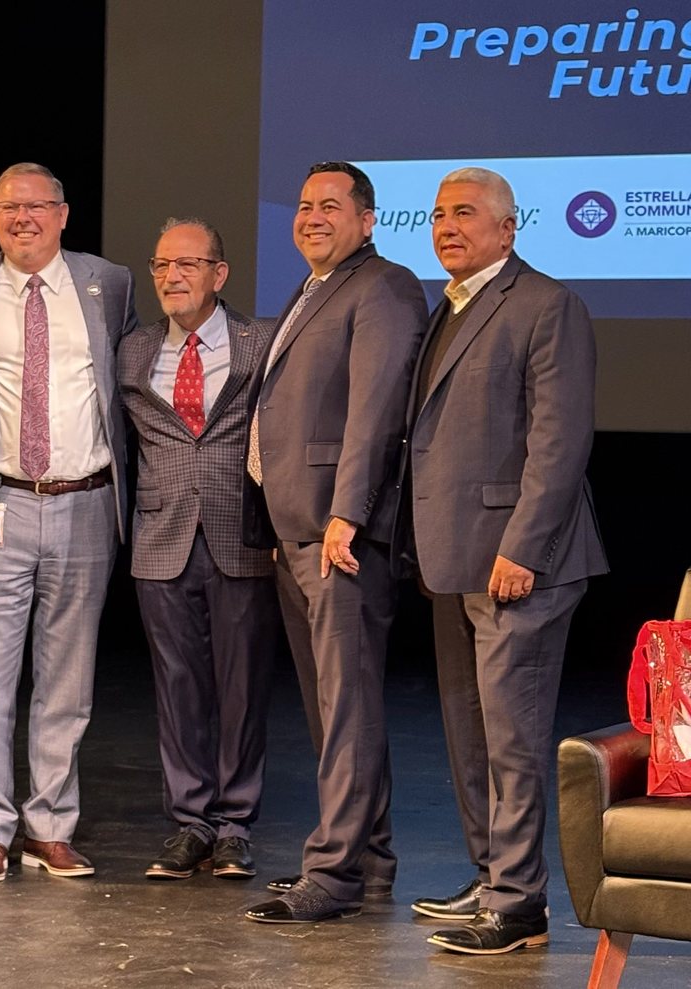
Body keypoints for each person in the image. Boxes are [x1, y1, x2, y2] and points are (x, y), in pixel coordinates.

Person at [397, 166, 609, 954]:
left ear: (508, 228)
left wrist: (523, 546)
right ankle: (493, 875)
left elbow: (560, 440)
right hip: (452, 557)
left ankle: (519, 904)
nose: (446, 227)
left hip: (519, 562)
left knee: (512, 738)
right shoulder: (448, 306)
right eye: (437, 214)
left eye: (464, 213)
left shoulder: (547, 304)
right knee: (470, 730)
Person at [0, 162, 138, 882]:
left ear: (63, 214)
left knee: (67, 681)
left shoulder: (110, 283)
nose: (23, 218)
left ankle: (50, 826)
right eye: (9, 207)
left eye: (37, 206)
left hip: (86, 501)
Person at [242, 161, 427, 922]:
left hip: (336, 532)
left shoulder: (383, 286)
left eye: (330, 205)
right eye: (304, 204)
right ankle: (367, 861)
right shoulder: (314, 287)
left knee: (346, 703)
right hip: (296, 529)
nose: (312, 216)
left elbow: (377, 410)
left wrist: (346, 513)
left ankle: (335, 873)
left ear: (368, 219)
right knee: (331, 707)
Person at [118, 218, 280, 881]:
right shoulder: (132, 351)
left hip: (242, 534)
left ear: (219, 273)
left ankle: (235, 825)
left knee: (242, 688)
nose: (172, 276)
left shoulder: (261, 341)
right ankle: (191, 822)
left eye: (187, 264)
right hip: (162, 537)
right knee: (178, 687)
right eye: (161, 265)